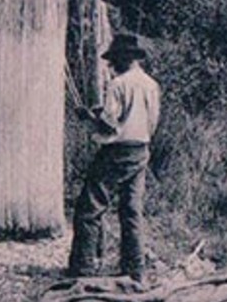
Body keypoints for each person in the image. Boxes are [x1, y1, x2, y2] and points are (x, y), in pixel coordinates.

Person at [67, 33, 161, 280]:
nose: (111, 65)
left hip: (117, 152)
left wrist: (89, 117)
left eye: (114, 60)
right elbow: (152, 123)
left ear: (124, 58)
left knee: (89, 208)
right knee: (131, 211)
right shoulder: (151, 84)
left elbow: (109, 125)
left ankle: (83, 269)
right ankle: (135, 270)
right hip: (141, 149)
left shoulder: (118, 84)